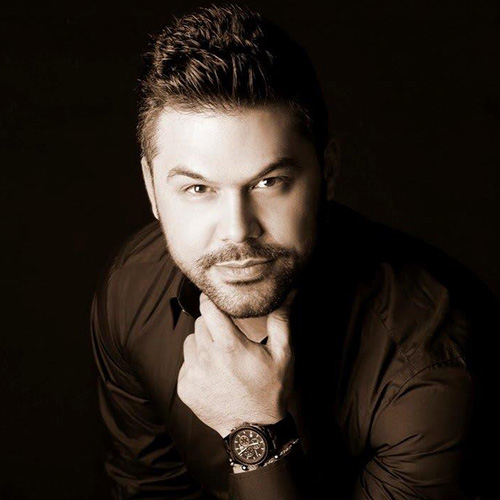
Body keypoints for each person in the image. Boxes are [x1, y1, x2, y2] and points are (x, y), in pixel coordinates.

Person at [90, 4, 497, 499]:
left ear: (328, 173)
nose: (237, 231)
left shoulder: (433, 367)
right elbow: (151, 491)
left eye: (269, 182)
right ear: (152, 188)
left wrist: (253, 429)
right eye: (197, 189)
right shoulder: (131, 290)